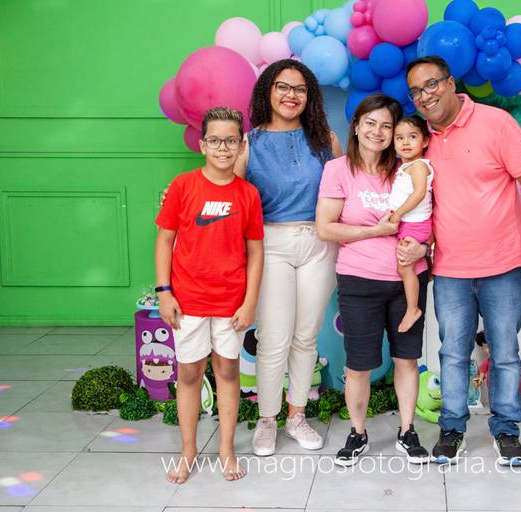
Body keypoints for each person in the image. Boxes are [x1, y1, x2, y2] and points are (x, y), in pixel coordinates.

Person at [402, 56, 521, 467]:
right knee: (453, 353)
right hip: (450, 269)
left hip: (502, 265)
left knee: (504, 352)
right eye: (415, 91)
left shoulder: (495, 122)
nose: (424, 96)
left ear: (451, 83)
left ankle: (506, 430)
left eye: (431, 84)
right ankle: (452, 429)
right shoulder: (422, 140)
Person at [316, 94, 431, 466]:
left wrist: (424, 248)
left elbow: (434, 217)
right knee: (358, 365)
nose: (377, 132)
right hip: (359, 280)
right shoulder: (337, 169)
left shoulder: (407, 168)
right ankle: (357, 433)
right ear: (356, 126)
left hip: (407, 281)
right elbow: (325, 228)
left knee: (406, 360)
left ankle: (407, 431)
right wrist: (375, 231)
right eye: (370, 123)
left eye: (386, 126)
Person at [236, 59, 343, 456]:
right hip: (270, 244)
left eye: (300, 89)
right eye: (283, 86)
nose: (291, 95)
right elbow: (225, 191)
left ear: (308, 96)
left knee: (305, 336)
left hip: (319, 244)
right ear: (268, 90)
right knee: (273, 338)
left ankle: (297, 416)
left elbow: (346, 191)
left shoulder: (326, 140)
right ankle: (267, 419)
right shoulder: (249, 143)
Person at [156, 107, 264, 483]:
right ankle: (188, 451)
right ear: (202, 145)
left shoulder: (248, 194)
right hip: (188, 301)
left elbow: (256, 252)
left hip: (231, 302)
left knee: (228, 370)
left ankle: (226, 449)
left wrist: (250, 302)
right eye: (215, 140)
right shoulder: (183, 186)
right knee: (189, 373)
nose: (222, 148)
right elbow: (164, 241)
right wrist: (164, 291)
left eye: (230, 140)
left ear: (241, 145)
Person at [387, 115, 434, 333]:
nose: (405, 142)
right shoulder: (405, 166)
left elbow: (419, 194)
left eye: (412, 137)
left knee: (404, 268)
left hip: (414, 224)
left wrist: (397, 214)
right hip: (409, 223)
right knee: (404, 267)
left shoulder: (419, 166)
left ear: (425, 141)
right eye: (399, 138)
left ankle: (413, 308)